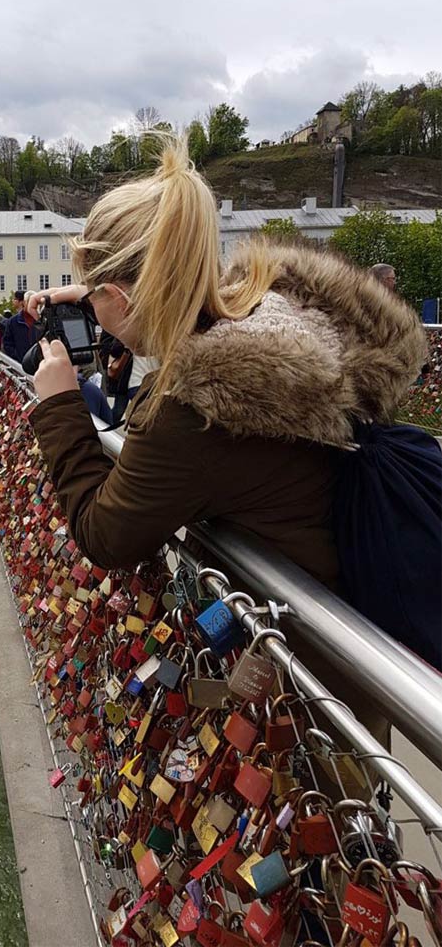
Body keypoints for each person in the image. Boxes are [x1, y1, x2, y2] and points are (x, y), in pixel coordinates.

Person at [25, 134, 426, 737]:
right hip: (352, 642)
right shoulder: (270, 314)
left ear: (120, 296)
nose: (95, 315)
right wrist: (86, 293)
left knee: (329, 819)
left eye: (96, 300)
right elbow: (168, 297)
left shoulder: (191, 413)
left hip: (299, 689)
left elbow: (104, 535)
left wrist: (58, 406)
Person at [3, 290, 39, 362]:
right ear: (24, 303)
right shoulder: (13, 321)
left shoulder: (42, 320)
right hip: (20, 363)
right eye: (30, 302)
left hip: (39, 363)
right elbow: (7, 343)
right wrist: (17, 356)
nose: (32, 305)